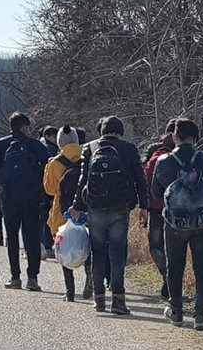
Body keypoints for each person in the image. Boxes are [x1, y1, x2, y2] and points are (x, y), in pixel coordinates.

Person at [151, 117, 203, 331]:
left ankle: (176, 311)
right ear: (196, 138)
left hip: (176, 223)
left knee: (175, 267)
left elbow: (155, 193)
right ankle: (200, 316)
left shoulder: (163, 162)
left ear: (174, 136)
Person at [70, 116, 149, 314]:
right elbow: (140, 179)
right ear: (120, 131)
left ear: (101, 131)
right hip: (120, 209)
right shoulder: (129, 149)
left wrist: (76, 205)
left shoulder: (89, 148)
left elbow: (83, 180)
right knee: (117, 253)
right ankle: (118, 301)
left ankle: (99, 300)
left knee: (98, 253)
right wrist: (144, 206)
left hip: (95, 208)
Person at [0, 111, 49, 291]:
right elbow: (48, 167)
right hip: (31, 197)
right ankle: (33, 278)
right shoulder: (35, 145)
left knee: (12, 237)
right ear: (24, 127)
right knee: (31, 237)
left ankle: (15, 278)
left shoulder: (0, 145)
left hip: (9, 197)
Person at [43, 125, 93, 301]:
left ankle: (70, 292)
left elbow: (49, 190)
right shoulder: (89, 154)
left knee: (64, 247)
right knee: (88, 244)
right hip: (88, 207)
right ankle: (90, 275)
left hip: (63, 212)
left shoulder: (55, 162)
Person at [143, 119, 176, 298]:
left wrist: (144, 204)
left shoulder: (153, 151)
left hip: (155, 207)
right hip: (179, 208)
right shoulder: (188, 154)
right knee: (174, 247)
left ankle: (166, 275)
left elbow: (144, 177)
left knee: (156, 246)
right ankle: (171, 281)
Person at [39, 126, 59, 260]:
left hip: (39, 189)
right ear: (48, 136)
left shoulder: (38, 146)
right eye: (54, 137)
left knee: (43, 217)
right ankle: (48, 245)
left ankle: (43, 245)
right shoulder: (49, 150)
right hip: (47, 190)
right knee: (48, 218)